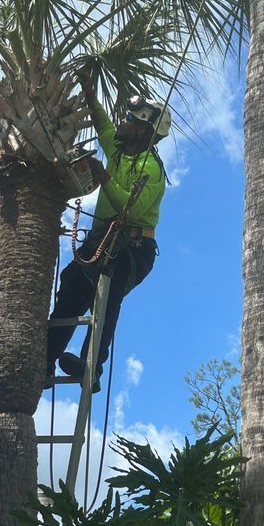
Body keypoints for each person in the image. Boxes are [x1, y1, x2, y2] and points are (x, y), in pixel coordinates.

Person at [46, 73, 171, 393]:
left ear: (142, 130)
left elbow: (133, 208)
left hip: (134, 246)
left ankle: (93, 364)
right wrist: (89, 92)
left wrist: (102, 177)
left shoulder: (151, 167)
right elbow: (102, 123)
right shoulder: (117, 151)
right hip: (101, 239)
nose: (123, 122)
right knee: (72, 285)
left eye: (130, 119)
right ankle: (45, 359)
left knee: (108, 294)